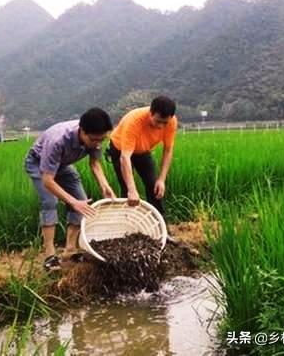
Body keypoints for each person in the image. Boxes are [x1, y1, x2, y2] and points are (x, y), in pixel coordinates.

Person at [24, 108, 116, 271]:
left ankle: (69, 250)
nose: (97, 144)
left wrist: (104, 186)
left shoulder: (96, 138)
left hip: (62, 165)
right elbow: (47, 180)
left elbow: (94, 164)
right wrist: (73, 202)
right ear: (82, 131)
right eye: (94, 140)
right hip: (38, 163)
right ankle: (50, 255)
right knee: (50, 201)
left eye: (101, 139)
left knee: (82, 201)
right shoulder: (58, 140)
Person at [107, 95, 177, 220]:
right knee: (127, 189)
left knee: (154, 186)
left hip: (143, 150)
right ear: (150, 113)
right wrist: (132, 189)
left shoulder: (171, 122)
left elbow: (168, 150)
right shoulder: (134, 121)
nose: (160, 126)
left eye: (164, 122)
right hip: (120, 150)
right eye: (158, 121)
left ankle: (161, 228)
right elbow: (125, 157)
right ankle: (128, 225)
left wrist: (161, 179)